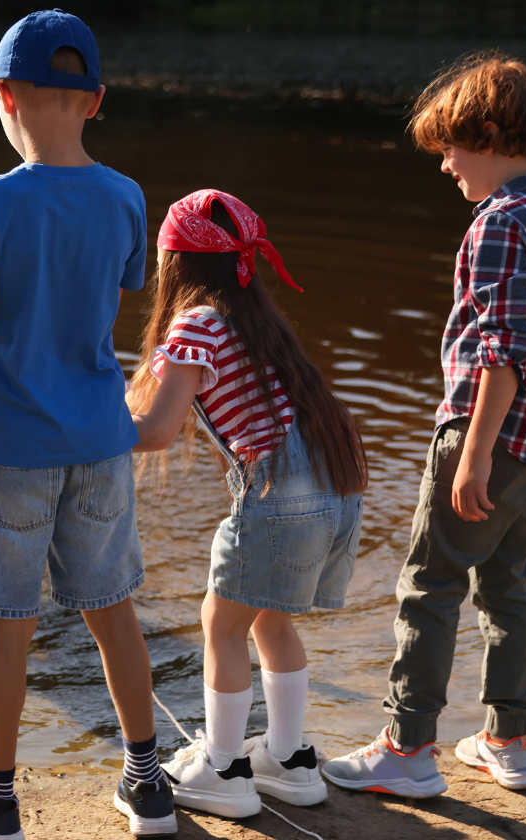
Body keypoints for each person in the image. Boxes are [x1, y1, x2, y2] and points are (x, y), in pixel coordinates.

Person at [0, 11, 174, 839]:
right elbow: (114, 302)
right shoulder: (128, 197)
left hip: (15, 449)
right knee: (113, 611)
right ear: (95, 101)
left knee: (6, 627)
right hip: (102, 441)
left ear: (2, 96)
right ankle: (147, 784)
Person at [322, 51, 526, 796]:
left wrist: (473, 456)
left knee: (429, 585)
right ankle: (510, 740)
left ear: (489, 132)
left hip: (488, 438)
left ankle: (407, 750)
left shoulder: (499, 225)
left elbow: (502, 356)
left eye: (450, 147)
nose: (445, 165)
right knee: (509, 585)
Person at [127, 190, 367, 818]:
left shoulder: (195, 322)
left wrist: (78, 424)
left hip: (281, 497)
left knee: (220, 624)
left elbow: (154, 432)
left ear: (173, 263)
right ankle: (289, 759)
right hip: (336, 491)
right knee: (268, 621)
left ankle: (224, 770)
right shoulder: (255, 320)